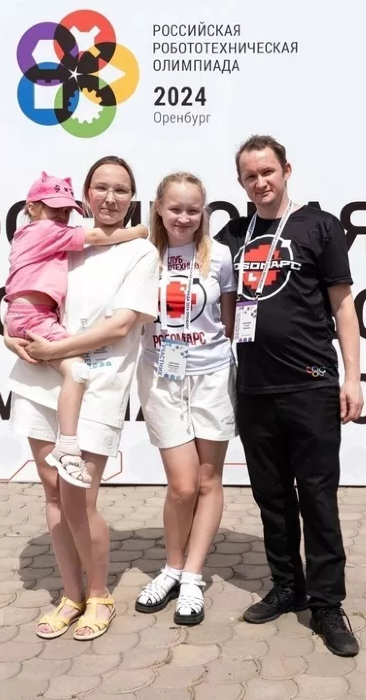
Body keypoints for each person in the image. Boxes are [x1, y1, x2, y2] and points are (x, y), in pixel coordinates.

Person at [213, 134, 364, 658]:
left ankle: (327, 604)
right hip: (254, 388)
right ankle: (286, 586)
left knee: (317, 497)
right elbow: (176, 243)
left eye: (268, 172)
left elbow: (343, 306)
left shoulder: (320, 226)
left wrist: (352, 378)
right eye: (250, 176)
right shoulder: (233, 235)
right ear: (241, 183)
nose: (260, 183)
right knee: (271, 497)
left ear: (286, 171)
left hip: (311, 383)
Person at [4, 156, 159, 642]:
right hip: (39, 378)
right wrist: (12, 337)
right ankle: (71, 596)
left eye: (121, 189)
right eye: (101, 188)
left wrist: (57, 350)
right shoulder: (59, 236)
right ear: (86, 194)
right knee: (52, 492)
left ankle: (99, 595)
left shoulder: (141, 252)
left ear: (132, 197)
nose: (110, 198)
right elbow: (24, 295)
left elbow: (119, 326)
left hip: (98, 385)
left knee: (80, 498)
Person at [133, 172, 237, 626]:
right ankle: (171, 567)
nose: (184, 217)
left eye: (193, 209)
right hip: (160, 377)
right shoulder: (141, 255)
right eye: (175, 208)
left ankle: (192, 576)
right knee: (182, 485)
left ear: (204, 212)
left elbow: (227, 322)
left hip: (211, 376)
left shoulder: (220, 256)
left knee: (209, 480)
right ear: (158, 207)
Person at [5, 171, 148, 488]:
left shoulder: (42, 238)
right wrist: (138, 231)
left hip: (30, 317)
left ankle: (67, 446)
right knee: (79, 371)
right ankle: (68, 448)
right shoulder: (43, 231)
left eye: (65, 210)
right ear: (32, 207)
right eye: (52, 207)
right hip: (35, 320)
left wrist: (10, 332)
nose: (60, 215)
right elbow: (96, 236)